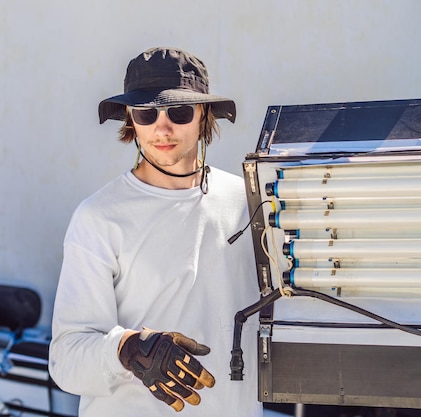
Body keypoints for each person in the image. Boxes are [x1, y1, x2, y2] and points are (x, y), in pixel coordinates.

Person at [49, 47, 262, 417]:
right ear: (131, 120)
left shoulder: (248, 201)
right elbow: (66, 360)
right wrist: (127, 349)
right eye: (146, 114)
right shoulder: (98, 217)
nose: (161, 128)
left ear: (204, 115)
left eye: (179, 112)